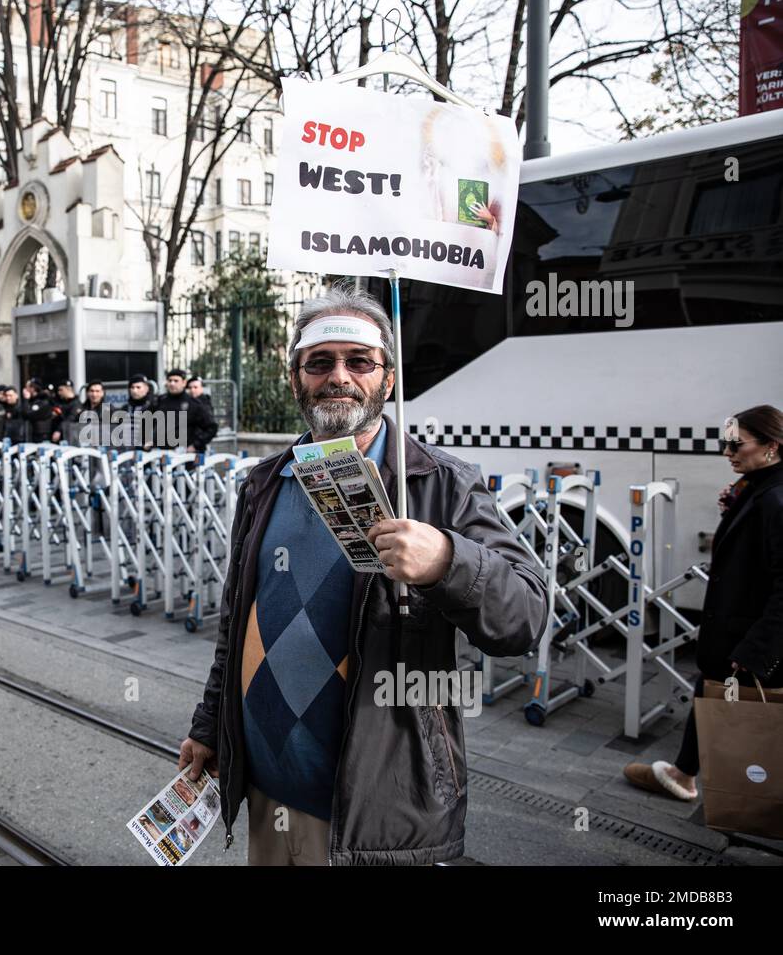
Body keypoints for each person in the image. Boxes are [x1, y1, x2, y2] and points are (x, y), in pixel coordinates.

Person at [177, 285, 548, 866]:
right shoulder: (264, 482)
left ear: (389, 379)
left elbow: (525, 618)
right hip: (267, 791)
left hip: (376, 815)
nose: (339, 377)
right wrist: (209, 726)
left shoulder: (440, 483)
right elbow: (237, 622)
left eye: (359, 362)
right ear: (295, 378)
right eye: (319, 363)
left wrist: (449, 561)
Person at [623, 404, 783, 802]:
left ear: (771, 446)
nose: (727, 453)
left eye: (736, 445)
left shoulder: (775, 499)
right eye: (724, 444)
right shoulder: (760, 488)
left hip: (750, 637)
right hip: (736, 631)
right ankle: (685, 773)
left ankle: (741, 797)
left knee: (737, 709)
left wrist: (756, 648)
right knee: (710, 693)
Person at [152, 368, 218, 453]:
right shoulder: (160, 401)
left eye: (176, 381)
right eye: (170, 380)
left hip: (184, 455)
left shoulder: (193, 404)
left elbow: (211, 427)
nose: (172, 383)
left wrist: (196, 445)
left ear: (184, 383)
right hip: (161, 453)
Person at [21, 379, 54, 444]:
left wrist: (26, 399)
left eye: (27, 387)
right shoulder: (32, 401)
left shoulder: (43, 402)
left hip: (41, 437)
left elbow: (27, 414)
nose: (25, 390)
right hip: (31, 436)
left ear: (33, 388)